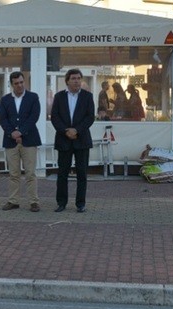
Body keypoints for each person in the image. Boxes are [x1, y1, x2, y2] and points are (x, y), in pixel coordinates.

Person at [50, 68, 96, 213]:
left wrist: (76, 130)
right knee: (62, 173)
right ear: (67, 81)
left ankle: (80, 204)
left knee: (82, 173)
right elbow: (55, 117)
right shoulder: (59, 97)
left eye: (78, 78)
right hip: (64, 140)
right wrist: (66, 131)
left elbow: (90, 117)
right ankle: (61, 203)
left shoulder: (87, 96)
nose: (76, 81)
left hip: (81, 140)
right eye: (73, 78)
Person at [0, 71, 42, 212]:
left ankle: (33, 202)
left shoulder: (33, 97)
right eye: (16, 83)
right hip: (11, 141)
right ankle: (13, 201)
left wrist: (20, 132)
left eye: (22, 82)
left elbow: (33, 117)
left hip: (29, 140)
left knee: (30, 173)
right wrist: (12, 133)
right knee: (13, 173)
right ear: (12, 84)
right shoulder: (5, 100)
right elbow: (3, 119)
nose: (19, 85)